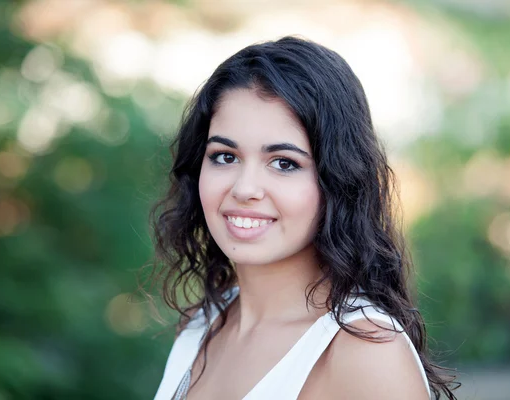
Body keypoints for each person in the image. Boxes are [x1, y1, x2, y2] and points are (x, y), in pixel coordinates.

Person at [149, 36, 457, 399]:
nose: (245, 189)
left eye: (284, 163)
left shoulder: (365, 352)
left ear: (338, 180)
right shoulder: (201, 327)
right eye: (225, 156)